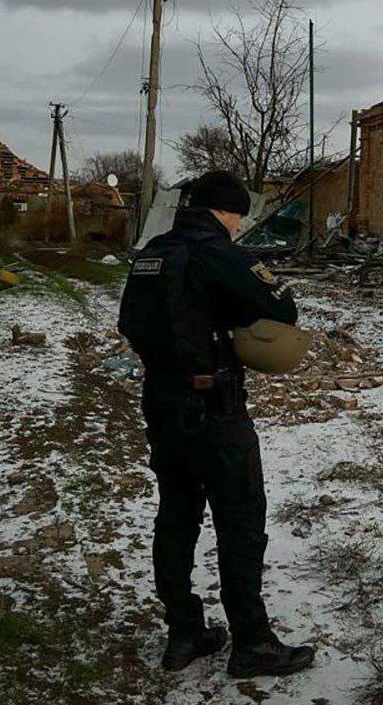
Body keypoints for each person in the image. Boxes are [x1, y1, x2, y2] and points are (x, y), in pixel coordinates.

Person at [118, 170, 315, 678]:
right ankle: (252, 643)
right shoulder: (220, 252)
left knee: (176, 518)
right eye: (238, 218)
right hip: (215, 410)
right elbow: (281, 308)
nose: (238, 226)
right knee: (241, 523)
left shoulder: (152, 252)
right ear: (226, 212)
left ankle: (185, 633)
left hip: (162, 405)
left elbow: (129, 325)